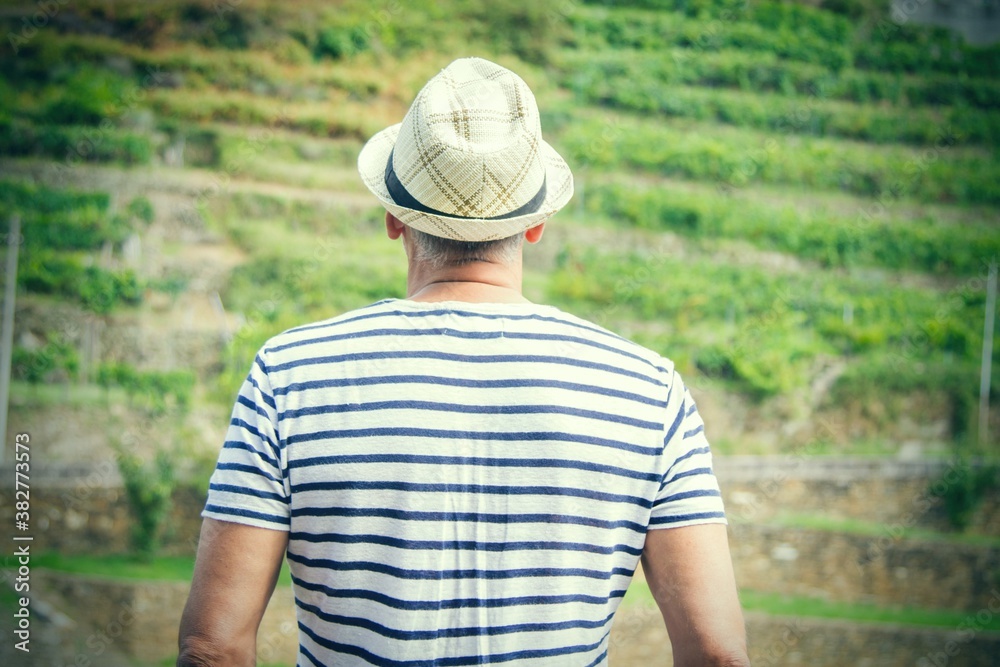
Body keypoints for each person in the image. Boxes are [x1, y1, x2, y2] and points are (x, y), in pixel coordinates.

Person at [177, 57, 749, 667]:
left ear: (393, 217)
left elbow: (214, 644)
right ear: (536, 225)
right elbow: (716, 654)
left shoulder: (289, 374)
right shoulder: (648, 390)